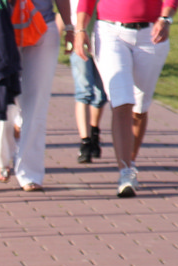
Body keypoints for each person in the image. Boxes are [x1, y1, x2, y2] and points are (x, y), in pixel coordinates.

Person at [74, 0, 178, 197]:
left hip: (151, 34)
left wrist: (165, 18)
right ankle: (126, 172)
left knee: (139, 108)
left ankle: (130, 161)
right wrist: (80, 30)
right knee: (122, 101)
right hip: (110, 33)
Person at [0, 0, 72, 192]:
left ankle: (30, 172)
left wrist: (69, 26)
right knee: (1, 94)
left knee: (36, 104)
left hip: (42, 26)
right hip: (2, 26)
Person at [71, 0, 108, 163]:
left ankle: (94, 132)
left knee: (101, 94)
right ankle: (85, 142)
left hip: (105, 39)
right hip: (80, 37)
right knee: (84, 91)